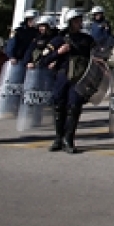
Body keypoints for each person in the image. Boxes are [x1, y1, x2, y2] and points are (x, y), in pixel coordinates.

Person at [40, 9, 97, 154]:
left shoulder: (87, 39)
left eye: (80, 20)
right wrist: (58, 53)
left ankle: (68, 139)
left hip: (79, 78)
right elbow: (44, 59)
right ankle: (58, 138)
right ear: (69, 22)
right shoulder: (59, 39)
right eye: (76, 21)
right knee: (59, 106)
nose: (79, 23)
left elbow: (97, 57)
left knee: (74, 107)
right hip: (62, 76)